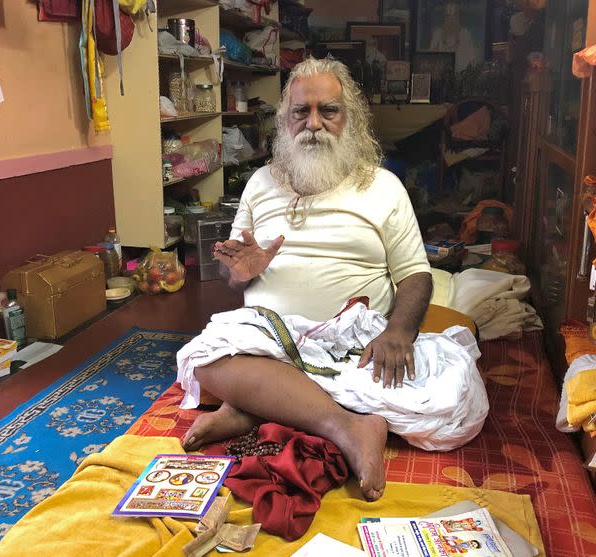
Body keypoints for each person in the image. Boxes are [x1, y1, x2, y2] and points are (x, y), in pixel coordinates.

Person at [179, 57, 487, 501]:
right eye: (301, 112)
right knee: (203, 355)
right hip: (269, 336)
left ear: (351, 119)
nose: (314, 123)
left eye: (329, 111)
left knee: (454, 400)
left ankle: (253, 404)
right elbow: (236, 280)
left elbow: (416, 274)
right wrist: (240, 275)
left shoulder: (381, 187)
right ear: (285, 121)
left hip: (354, 345)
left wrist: (399, 332)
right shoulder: (260, 184)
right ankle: (347, 425)